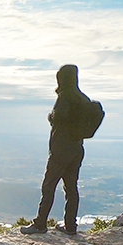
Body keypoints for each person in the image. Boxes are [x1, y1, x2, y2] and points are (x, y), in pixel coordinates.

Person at [21, 64, 92, 235]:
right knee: (71, 188)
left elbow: (58, 117)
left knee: (48, 186)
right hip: (77, 149)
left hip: (61, 150)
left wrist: (50, 116)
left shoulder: (65, 97)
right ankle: (70, 226)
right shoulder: (83, 98)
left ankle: (40, 224)